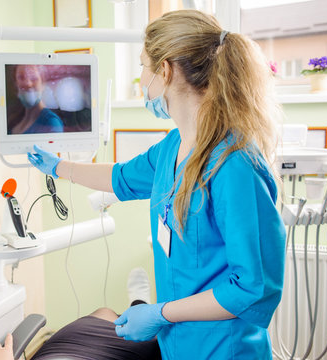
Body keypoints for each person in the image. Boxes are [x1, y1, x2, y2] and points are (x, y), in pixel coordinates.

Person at [27, 9, 286, 360]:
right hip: (178, 344)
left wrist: (158, 312)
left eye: (142, 67)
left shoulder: (234, 164)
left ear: (164, 70)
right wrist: (60, 167)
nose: (141, 79)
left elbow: (251, 286)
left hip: (224, 349)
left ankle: (140, 297)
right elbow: (119, 177)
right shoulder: (174, 147)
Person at [0, 268, 160, 360]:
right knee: (158, 341)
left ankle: (139, 308)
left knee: (103, 313)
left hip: (60, 353)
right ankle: (140, 304)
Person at [9, 65, 64, 134]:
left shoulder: (51, 123)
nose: (28, 83)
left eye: (33, 78)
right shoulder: (14, 121)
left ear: (43, 83)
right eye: (21, 77)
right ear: (16, 84)